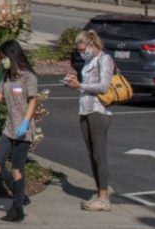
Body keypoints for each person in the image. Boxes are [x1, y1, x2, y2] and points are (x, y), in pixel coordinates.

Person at [0, 40, 39, 223]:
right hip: (9, 128)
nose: (3, 61)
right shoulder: (8, 76)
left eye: (4, 57)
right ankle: (19, 195)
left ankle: (17, 209)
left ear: (13, 56)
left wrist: (25, 121)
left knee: (17, 169)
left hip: (23, 129)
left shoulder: (28, 77)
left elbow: (32, 100)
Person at [64, 29, 114, 211]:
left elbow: (104, 86)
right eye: (78, 50)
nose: (80, 52)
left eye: (82, 48)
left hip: (98, 111)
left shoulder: (104, 59)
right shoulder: (89, 61)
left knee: (99, 154)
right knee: (91, 154)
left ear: (91, 44)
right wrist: (75, 83)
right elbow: (87, 87)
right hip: (85, 109)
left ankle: (104, 198)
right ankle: (99, 191)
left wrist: (81, 85)